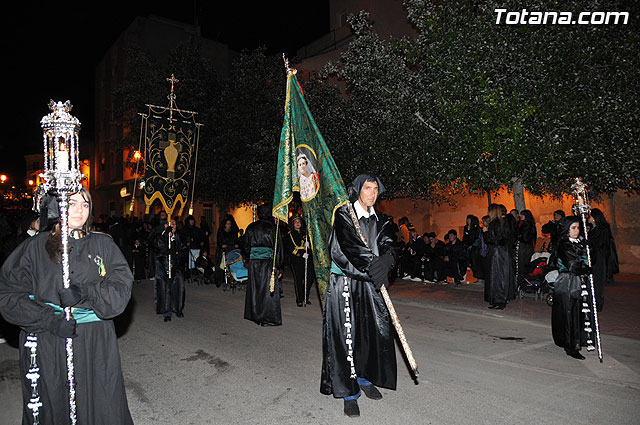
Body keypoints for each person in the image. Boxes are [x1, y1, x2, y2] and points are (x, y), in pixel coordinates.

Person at [0, 188, 134, 424]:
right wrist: (48, 320)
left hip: (96, 344)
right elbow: (8, 296)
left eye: (85, 204)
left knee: (100, 405)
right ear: (57, 207)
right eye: (72, 203)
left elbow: (121, 290)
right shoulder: (35, 247)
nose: (80, 210)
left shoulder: (104, 245)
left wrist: (87, 292)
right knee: (56, 405)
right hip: (49, 340)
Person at [320, 173, 398, 418]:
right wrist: (374, 268)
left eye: (376, 189)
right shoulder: (344, 215)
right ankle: (349, 392)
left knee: (369, 333)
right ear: (357, 190)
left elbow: (389, 243)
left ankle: (364, 377)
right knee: (346, 336)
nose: (372, 193)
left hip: (370, 283)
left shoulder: (382, 219)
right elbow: (349, 250)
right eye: (368, 188)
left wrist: (387, 260)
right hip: (346, 280)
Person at [551, 216, 594, 360]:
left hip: (579, 281)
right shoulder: (564, 244)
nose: (577, 231)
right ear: (566, 230)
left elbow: (589, 259)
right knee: (570, 314)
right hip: (568, 282)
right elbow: (572, 265)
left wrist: (588, 249)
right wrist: (585, 267)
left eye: (578, 228)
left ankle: (579, 340)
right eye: (573, 228)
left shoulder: (580, 242)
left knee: (580, 313)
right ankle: (571, 346)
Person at [243, 204, 284, 326]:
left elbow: (245, 246)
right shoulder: (273, 228)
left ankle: (256, 315)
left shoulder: (251, 227)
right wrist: (279, 266)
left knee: (255, 289)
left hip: (254, 263)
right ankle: (266, 317)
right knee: (267, 290)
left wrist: (251, 255)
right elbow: (278, 249)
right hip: (268, 263)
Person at [152, 218, 185, 322]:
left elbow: (182, 249)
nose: (173, 226)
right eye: (170, 224)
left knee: (177, 287)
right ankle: (167, 312)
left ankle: (177, 308)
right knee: (165, 288)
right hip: (164, 265)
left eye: (174, 224)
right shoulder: (160, 237)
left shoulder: (178, 237)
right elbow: (158, 247)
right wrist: (166, 236)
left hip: (176, 266)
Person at [484, 204, 515, 309]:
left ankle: (499, 301)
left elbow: (491, 239)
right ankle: (499, 299)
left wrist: (485, 232)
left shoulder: (494, 223)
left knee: (497, 276)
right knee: (501, 276)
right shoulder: (504, 223)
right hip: (503, 252)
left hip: (496, 252)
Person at [587, 208, 618, 312]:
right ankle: (594, 302)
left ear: (595, 218)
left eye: (590, 216)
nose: (589, 218)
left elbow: (595, 243)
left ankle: (597, 303)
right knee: (595, 281)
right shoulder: (597, 229)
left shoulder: (601, 230)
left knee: (597, 281)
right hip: (597, 258)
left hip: (599, 259)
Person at [283, 214, 315, 306]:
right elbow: (289, 247)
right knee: (298, 279)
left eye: (299, 222)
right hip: (296, 259)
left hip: (307, 258)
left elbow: (309, 246)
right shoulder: (290, 235)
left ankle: (306, 297)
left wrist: (308, 250)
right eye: (296, 222)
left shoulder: (305, 234)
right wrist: (300, 254)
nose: (298, 223)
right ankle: (299, 299)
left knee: (309, 279)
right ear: (293, 224)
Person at [214, 215, 240, 287]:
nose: (229, 225)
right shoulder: (221, 231)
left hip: (231, 250)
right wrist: (222, 245)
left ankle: (233, 279)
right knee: (222, 265)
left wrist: (236, 244)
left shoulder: (233, 232)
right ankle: (220, 280)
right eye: (228, 224)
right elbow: (219, 241)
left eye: (230, 224)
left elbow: (236, 240)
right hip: (223, 251)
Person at [517, 210, 537, 289]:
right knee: (526, 265)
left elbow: (524, 237)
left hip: (524, 247)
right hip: (529, 247)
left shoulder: (526, 225)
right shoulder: (531, 225)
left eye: (522, 215)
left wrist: (519, 236)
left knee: (522, 265)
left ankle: (522, 283)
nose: (520, 216)